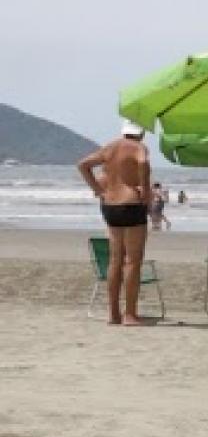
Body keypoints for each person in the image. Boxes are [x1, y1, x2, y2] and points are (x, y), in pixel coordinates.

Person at [76, 122, 153, 326]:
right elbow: (143, 162)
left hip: (110, 206)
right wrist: (145, 188)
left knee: (115, 259)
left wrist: (98, 190)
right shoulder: (138, 147)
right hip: (131, 205)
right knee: (133, 262)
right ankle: (130, 314)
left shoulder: (110, 147)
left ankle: (113, 314)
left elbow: (82, 165)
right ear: (142, 133)